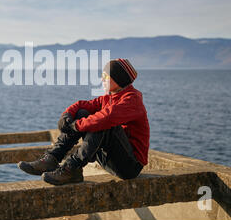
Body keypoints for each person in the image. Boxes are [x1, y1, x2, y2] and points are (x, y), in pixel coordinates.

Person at [18, 58, 150, 185]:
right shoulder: (110, 97)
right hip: (110, 159)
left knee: (103, 123)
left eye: (105, 76)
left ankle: (72, 168)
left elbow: (106, 118)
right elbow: (83, 105)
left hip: (129, 167)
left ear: (118, 79)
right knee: (82, 113)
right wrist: (67, 114)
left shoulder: (132, 100)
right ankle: (52, 158)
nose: (101, 79)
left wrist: (75, 126)